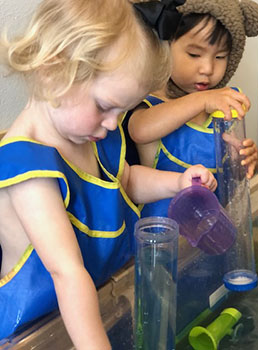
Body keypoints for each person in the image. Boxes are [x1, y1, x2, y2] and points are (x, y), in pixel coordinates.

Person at [0, 0, 217, 348]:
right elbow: (66, 272)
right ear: (54, 72)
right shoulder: (28, 168)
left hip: (88, 313)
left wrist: (175, 183)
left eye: (123, 110)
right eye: (104, 106)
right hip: (29, 334)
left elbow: (126, 181)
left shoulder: (89, 132)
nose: (113, 123)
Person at [123, 0, 258, 218]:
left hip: (214, 229)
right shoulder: (151, 101)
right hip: (163, 234)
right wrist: (202, 100)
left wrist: (242, 161)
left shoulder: (223, 103)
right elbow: (139, 130)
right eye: (194, 54)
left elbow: (231, 177)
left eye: (220, 57)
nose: (208, 69)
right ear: (164, 46)